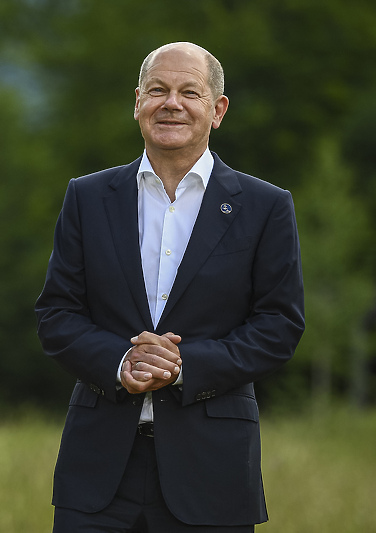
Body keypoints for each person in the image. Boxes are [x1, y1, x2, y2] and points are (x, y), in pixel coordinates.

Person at [35, 42, 304, 532]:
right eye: (157, 90)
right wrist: (122, 362)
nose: (171, 103)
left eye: (189, 92)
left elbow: (278, 326)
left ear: (217, 109)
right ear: (137, 102)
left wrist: (182, 366)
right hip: (97, 472)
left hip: (212, 471)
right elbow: (56, 314)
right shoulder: (88, 197)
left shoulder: (266, 206)